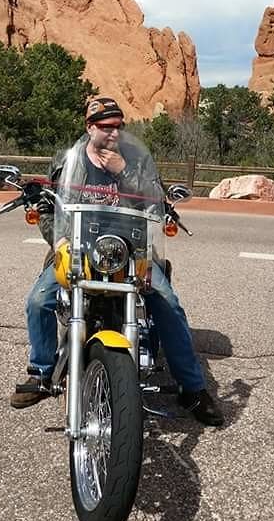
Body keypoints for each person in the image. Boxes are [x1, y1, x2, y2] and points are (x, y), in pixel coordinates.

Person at [11, 97, 224, 427]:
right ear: (89, 128)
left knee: (168, 303)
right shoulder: (68, 161)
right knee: (38, 300)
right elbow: (50, 207)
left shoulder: (134, 159)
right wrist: (60, 238)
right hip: (78, 247)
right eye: (105, 127)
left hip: (130, 250)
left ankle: (193, 388)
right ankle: (41, 372)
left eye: (118, 126)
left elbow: (155, 197)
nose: (113, 133)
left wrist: (122, 172)